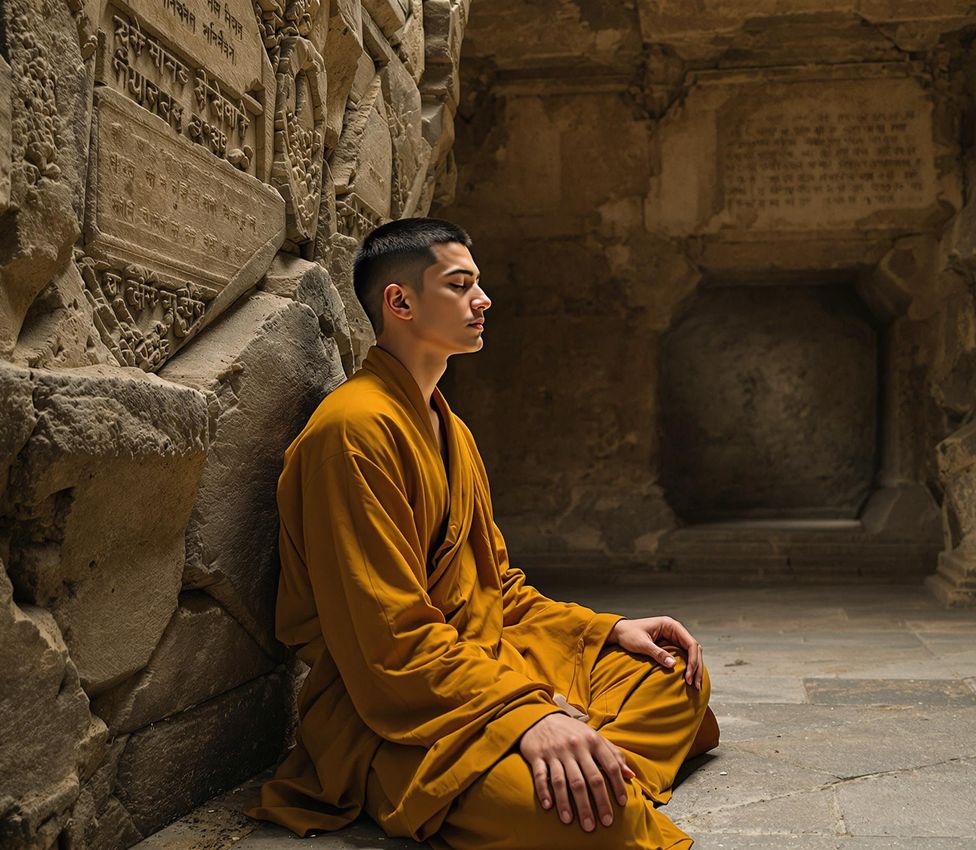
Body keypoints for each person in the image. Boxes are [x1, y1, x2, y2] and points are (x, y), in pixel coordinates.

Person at [246, 218, 719, 849]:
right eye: (461, 283)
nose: (484, 299)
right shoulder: (351, 433)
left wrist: (603, 629)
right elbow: (390, 642)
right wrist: (528, 714)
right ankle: (585, 772)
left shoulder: (453, 432)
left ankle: (583, 763)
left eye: (479, 283)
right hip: (396, 713)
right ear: (401, 301)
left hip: (487, 661)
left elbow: (498, 589)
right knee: (584, 817)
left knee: (673, 675)